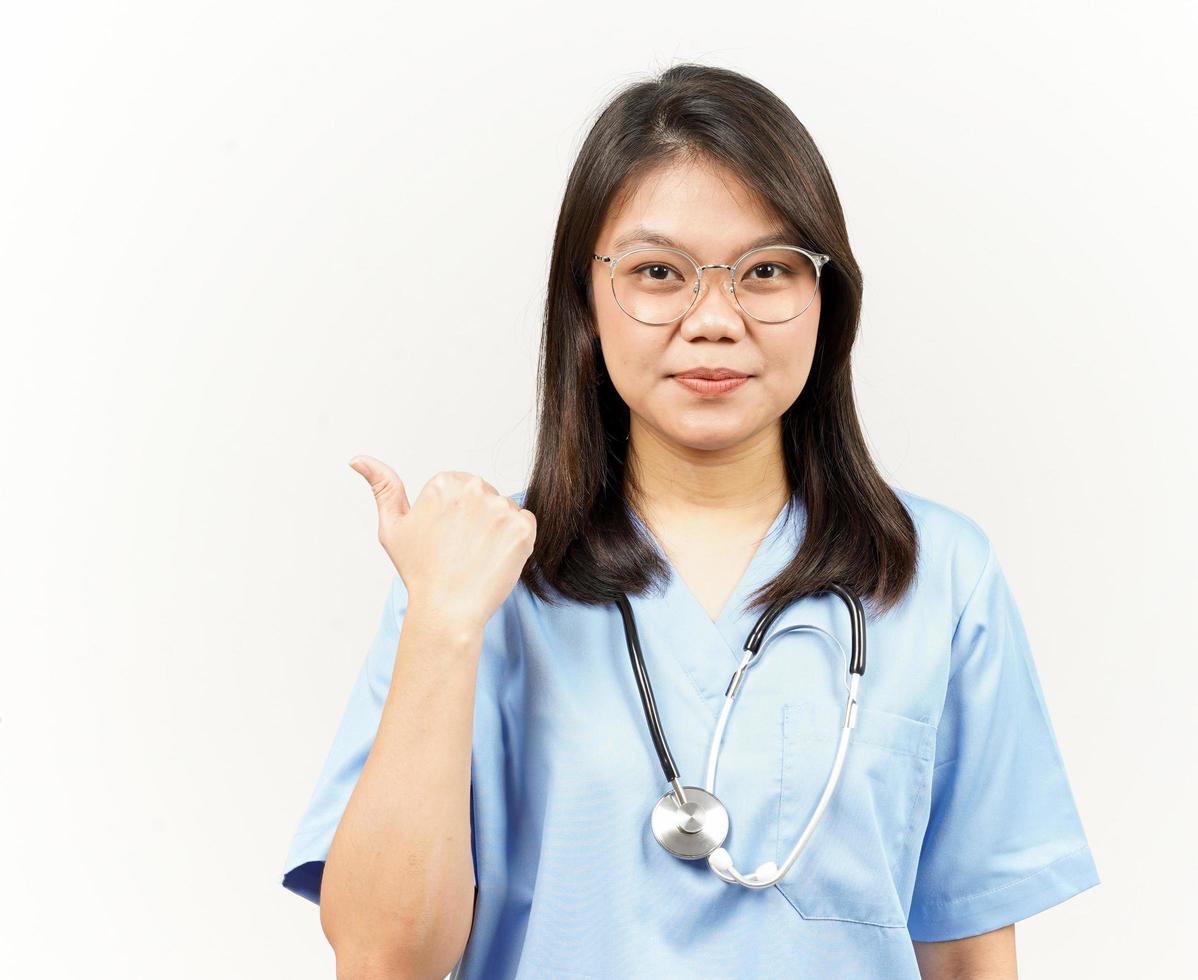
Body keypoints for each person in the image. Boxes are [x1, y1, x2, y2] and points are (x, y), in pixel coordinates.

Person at [279, 64, 1099, 979]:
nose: (715, 318)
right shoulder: (477, 578)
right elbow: (384, 957)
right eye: (659, 272)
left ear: (826, 302)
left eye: (767, 271)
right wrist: (441, 627)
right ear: (585, 303)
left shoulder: (939, 574)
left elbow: (968, 955)